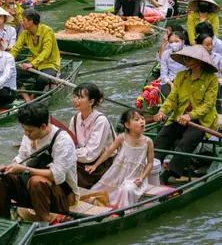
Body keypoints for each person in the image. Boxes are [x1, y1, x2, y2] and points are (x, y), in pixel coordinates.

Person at [0, 103, 78, 221]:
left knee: (37, 181)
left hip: (61, 196)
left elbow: (57, 175)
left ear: (42, 126)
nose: (26, 133)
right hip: (32, 191)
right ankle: (0, 221)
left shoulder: (63, 141)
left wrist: (25, 170)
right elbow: (21, 157)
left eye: (29, 130)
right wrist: (9, 167)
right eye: (24, 129)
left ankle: (43, 223)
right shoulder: (29, 135)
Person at [153, 45, 219, 185]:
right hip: (178, 116)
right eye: (185, 58)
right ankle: (153, 167)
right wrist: (162, 111)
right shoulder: (181, 76)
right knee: (161, 138)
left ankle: (170, 173)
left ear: (198, 61)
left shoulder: (211, 79)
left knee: (186, 143)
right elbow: (172, 98)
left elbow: (208, 105)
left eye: (188, 58)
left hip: (201, 120)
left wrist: (190, 116)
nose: (185, 60)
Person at [87, 109, 154, 209]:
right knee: (96, 190)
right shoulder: (122, 137)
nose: (142, 121)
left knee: (126, 190)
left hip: (135, 176)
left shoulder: (148, 142)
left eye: (143, 119)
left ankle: (124, 211)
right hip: (117, 173)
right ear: (127, 125)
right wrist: (95, 165)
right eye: (137, 119)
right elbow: (108, 152)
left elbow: (150, 163)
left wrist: (142, 177)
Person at [68, 83, 116, 188]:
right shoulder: (75, 119)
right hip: (81, 160)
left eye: (80, 97)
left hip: (101, 165)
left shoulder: (100, 121)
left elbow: (90, 155)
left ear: (91, 102)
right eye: (74, 96)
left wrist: (67, 153)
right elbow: (71, 144)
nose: (75, 100)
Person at [9, 9, 60, 102]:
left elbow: (46, 51)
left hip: (49, 64)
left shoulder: (47, 31)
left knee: (43, 78)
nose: (21, 22)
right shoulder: (25, 33)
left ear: (30, 22)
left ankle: (33, 96)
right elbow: (15, 49)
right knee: (11, 73)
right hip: (34, 64)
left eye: (23, 20)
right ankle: (26, 97)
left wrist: (31, 64)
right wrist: (6, 61)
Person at [159, 31, 187, 97]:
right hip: (170, 81)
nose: (174, 44)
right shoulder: (166, 54)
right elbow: (163, 74)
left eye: (176, 41)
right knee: (169, 94)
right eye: (171, 42)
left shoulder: (189, 53)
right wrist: (171, 84)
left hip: (186, 81)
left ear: (182, 42)